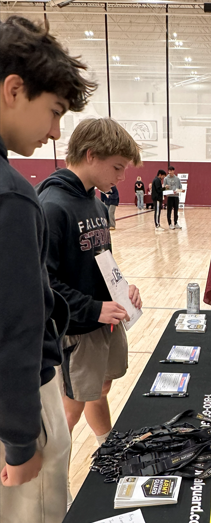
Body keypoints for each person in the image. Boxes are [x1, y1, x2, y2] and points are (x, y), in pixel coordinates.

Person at [0, 15, 95, 523]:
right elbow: (14, 332)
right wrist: (18, 442)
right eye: (54, 110)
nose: (57, 130)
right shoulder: (13, 195)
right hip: (19, 402)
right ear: (13, 90)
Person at [37, 117, 142, 450]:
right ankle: (52, 486)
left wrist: (123, 289)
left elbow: (101, 261)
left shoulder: (95, 202)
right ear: (91, 155)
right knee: (70, 409)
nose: (122, 177)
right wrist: (93, 308)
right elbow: (44, 281)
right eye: (117, 167)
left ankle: (106, 448)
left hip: (104, 319)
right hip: (77, 328)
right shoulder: (53, 206)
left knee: (100, 389)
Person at [163, 165, 182, 230]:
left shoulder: (177, 179)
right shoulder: (166, 179)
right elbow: (164, 187)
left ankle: (176, 223)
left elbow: (180, 187)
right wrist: (166, 187)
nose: (170, 172)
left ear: (173, 171)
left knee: (176, 210)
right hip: (169, 196)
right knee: (169, 211)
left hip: (176, 196)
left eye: (171, 171)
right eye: (169, 171)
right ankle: (170, 223)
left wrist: (180, 190)